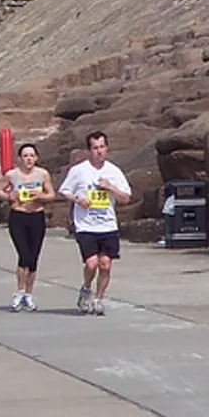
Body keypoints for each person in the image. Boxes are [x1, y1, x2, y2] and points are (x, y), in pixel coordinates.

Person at [57, 131, 132, 316]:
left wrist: (111, 187)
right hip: (86, 225)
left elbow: (126, 198)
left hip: (108, 225)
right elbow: (63, 191)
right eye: (95, 148)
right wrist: (77, 199)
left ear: (107, 148)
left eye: (102, 147)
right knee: (91, 264)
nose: (99, 151)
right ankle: (86, 288)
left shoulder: (114, 172)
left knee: (105, 264)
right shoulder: (79, 170)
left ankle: (98, 299)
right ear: (89, 150)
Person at [0, 142, 54, 310]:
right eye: (25, 156)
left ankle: (29, 294)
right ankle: (19, 292)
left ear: (36, 158)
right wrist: (9, 195)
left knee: (33, 258)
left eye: (32, 156)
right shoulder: (12, 175)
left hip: (37, 216)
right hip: (18, 216)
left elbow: (51, 194)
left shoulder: (42, 174)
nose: (29, 159)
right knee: (24, 255)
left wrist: (41, 195)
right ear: (20, 158)